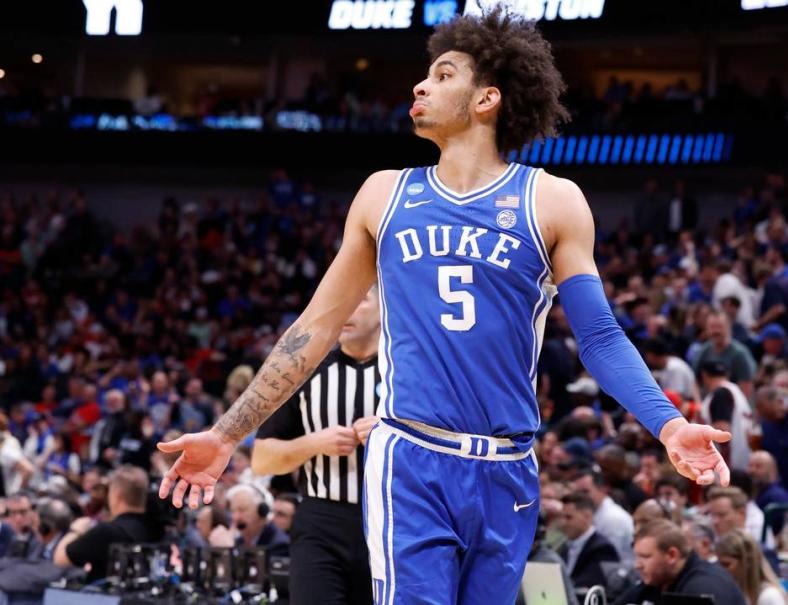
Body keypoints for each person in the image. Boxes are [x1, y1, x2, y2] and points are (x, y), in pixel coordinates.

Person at [156, 10, 732, 603]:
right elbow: (316, 328)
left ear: (487, 98)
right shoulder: (384, 193)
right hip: (412, 456)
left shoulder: (554, 201)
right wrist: (227, 436)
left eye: (443, 74)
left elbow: (601, 337)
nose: (419, 86)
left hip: (509, 466)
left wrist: (668, 423)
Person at [251, 288, 381, 605]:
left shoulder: (408, 373)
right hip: (321, 522)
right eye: (345, 298)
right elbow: (261, 460)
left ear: (385, 306)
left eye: (360, 299)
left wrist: (394, 435)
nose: (347, 307)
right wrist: (312, 443)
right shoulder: (307, 371)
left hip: (390, 520)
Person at [53, 465, 163, 581]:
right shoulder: (157, 529)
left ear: (116, 495)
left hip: (105, 597)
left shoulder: (108, 531)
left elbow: (60, 559)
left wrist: (75, 530)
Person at [614, 519, 747, 605]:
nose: (637, 565)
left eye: (645, 557)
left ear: (672, 555)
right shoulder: (657, 580)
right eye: (637, 557)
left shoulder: (703, 587)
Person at [556, 492, 619, 594]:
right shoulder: (564, 546)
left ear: (587, 516)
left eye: (568, 517)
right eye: (561, 517)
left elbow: (588, 586)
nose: (562, 523)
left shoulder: (603, 549)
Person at [716, 529, 788, 605]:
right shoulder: (736, 593)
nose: (721, 570)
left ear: (747, 562)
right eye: (718, 564)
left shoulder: (769, 596)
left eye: (726, 565)